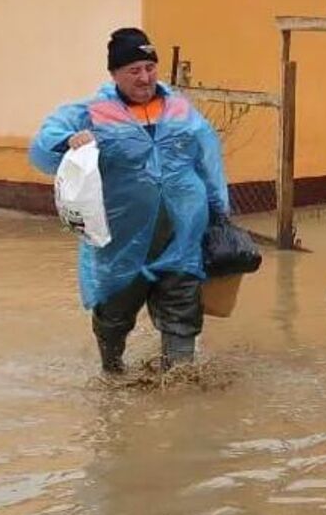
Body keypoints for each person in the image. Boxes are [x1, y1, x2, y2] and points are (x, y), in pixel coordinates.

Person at [29, 27, 232, 373]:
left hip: (182, 240)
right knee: (114, 315)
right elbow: (41, 149)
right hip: (120, 244)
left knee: (182, 314)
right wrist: (68, 140)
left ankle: (179, 388)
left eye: (150, 68)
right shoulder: (92, 111)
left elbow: (209, 161)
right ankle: (112, 373)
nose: (145, 77)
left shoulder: (180, 110)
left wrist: (220, 213)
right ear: (115, 74)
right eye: (134, 70)